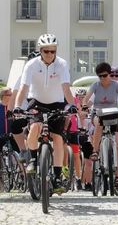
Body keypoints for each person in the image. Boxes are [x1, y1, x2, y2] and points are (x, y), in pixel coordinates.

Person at [13, 33, 77, 194]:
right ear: (40, 51)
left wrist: (71, 105)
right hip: (37, 101)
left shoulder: (62, 64)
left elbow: (65, 88)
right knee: (35, 128)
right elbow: (24, 88)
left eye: (53, 51)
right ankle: (33, 159)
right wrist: (17, 106)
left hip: (56, 102)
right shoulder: (31, 65)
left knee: (58, 138)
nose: (50, 54)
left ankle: (56, 177)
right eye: (46, 51)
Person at [82, 62, 118, 191]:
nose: (103, 78)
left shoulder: (117, 85)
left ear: (110, 75)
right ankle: (95, 151)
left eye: (105, 75)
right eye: (100, 76)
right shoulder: (95, 86)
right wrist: (85, 105)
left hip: (114, 113)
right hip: (99, 113)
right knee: (98, 124)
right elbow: (87, 98)